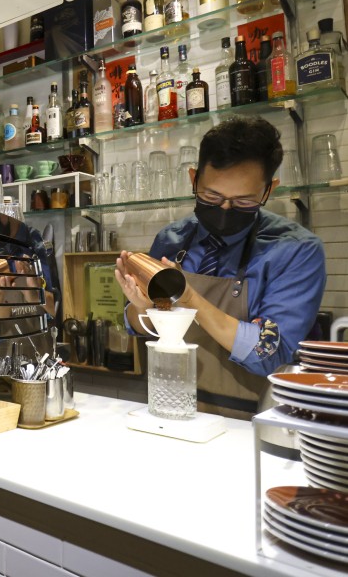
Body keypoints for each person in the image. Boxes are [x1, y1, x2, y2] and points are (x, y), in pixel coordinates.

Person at [114, 116, 326, 419]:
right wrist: (142, 309)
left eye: (243, 201)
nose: (225, 208)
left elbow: (272, 354)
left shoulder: (296, 251)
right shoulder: (172, 239)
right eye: (212, 196)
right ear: (194, 179)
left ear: (268, 191)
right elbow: (139, 328)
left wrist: (190, 300)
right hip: (169, 406)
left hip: (255, 419)